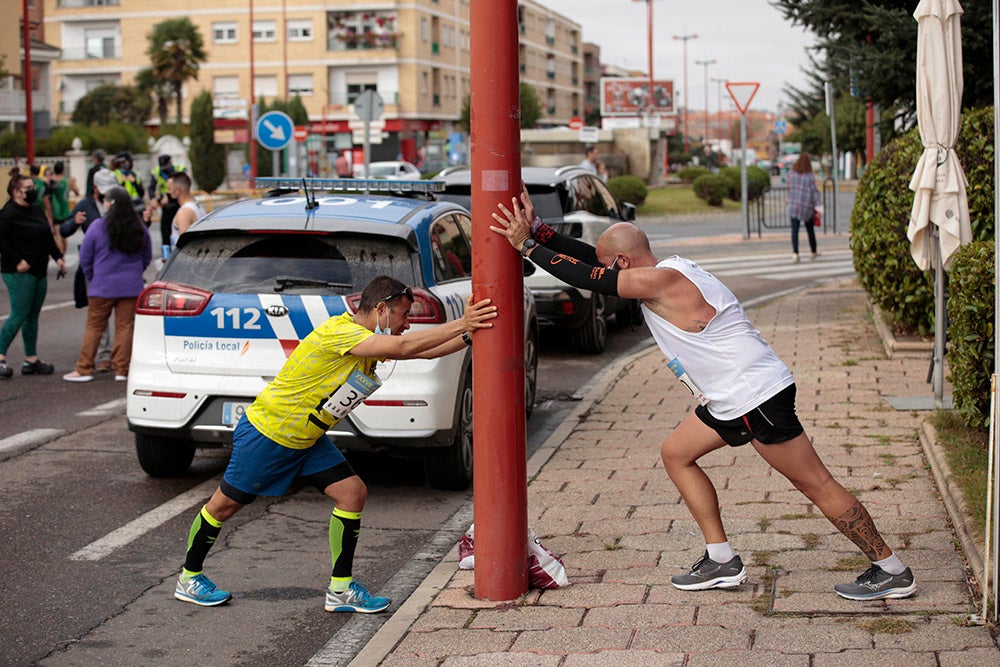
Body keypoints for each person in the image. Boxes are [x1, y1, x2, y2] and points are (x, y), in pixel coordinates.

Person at [490, 187, 916, 602]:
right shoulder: (667, 268)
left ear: (624, 261)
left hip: (755, 396)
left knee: (816, 483)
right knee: (677, 453)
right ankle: (721, 559)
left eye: (613, 265)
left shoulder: (660, 281)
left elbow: (592, 276)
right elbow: (593, 262)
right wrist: (542, 232)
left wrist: (526, 246)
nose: (610, 270)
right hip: (729, 398)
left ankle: (891, 569)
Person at [172, 276, 497, 609]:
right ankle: (189, 578)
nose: (407, 323)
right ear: (381, 309)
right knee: (223, 507)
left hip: (307, 439)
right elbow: (405, 347)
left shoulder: (368, 337)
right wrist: (462, 322)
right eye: (403, 315)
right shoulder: (341, 333)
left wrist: (468, 335)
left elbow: (423, 353)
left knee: (352, 493)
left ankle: (341, 589)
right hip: (270, 435)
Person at [62, 186, 152, 383]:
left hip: (102, 285)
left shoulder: (97, 226)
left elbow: (85, 257)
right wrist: (135, 273)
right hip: (131, 286)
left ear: (110, 203)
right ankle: (122, 369)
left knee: (94, 326)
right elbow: (146, 257)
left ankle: (84, 368)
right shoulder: (139, 228)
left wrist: (93, 277)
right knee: (125, 327)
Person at [0, 169, 67, 379]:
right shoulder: (8, 214)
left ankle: (31, 359)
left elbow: (47, 237)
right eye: (28, 188)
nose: (33, 190)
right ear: (16, 192)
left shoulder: (36, 210)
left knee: (32, 315)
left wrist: (58, 257)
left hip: (39, 270)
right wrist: (17, 260)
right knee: (19, 314)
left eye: (33, 187)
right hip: (19, 272)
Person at [62, 168, 118, 372]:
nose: (107, 195)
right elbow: (64, 229)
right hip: (94, 265)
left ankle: (121, 358)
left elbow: (135, 226)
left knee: (123, 314)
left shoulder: (118, 202)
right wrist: (74, 222)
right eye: (104, 191)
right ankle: (104, 355)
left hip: (117, 263)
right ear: (95, 188)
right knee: (98, 311)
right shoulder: (85, 205)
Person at [786, 153, 820, 263]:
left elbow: (789, 187)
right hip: (806, 206)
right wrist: (818, 206)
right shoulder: (809, 176)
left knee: (794, 231)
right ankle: (813, 250)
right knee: (810, 230)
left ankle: (795, 253)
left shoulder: (791, 174)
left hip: (793, 206)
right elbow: (814, 193)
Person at [149, 154, 186, 250]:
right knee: (165, 233)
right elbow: (151, 188)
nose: (164, 169)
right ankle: (166, 255)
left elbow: (184, 186)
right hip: (166, 205)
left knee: (180, 230)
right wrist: (153, 198)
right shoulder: (157, 172)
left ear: (170, 163)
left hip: (179, 203)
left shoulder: (179, 169)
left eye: (166, 166)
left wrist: (168, 196)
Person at [165, 171, 205, 249]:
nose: (168, 192)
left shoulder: (184, 212)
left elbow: (183, 245)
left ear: (178, 191)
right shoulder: (197, 205)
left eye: (169, 189)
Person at [48, 161, 79, 255]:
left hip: (55, 211)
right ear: (63, 170)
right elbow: (77, 192)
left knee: (57, 235)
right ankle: (62, 256)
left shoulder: (50, 182)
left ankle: (60, 257)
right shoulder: (68, 181)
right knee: (64, 235)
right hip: (65, 211)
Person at [112, 151, 145, 217]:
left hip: (138, 207)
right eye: (122, 162)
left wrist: (134, 182)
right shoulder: (115, 175)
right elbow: (115, 195)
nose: (123, 164)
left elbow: (142, 193)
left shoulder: (136, 174)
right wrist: (123, 183)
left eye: (125, 162)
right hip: (123, 208)